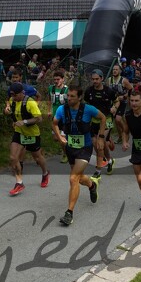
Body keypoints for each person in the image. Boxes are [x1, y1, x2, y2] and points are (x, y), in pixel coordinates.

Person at [53, 85, 106, 226]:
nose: (69, 99)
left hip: (85, 148)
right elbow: (54, 123)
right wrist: (59, 137)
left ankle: (69, 213)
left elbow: (103, 118)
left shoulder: (88, 109)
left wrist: (100, 137)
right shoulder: (62, 109)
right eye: (68, 96)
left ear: (79, 97)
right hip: (70, 147)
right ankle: (91, 185)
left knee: (73, 178)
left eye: (72, 96)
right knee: (79, 178)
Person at [4, 82, 50, 196]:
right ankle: (19, 183)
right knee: (13, 157)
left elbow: (39, 119)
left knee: (38, 158)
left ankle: (45, 173)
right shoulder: (12, 101)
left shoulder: (30, 103)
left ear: (22, 93)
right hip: (19, 133)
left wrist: (24, 122)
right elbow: (10, 112)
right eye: (11, 95)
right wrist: (6, 111)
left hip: (32, 134)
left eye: (15, 95)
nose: (13, 97)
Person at [84, 69, 118, 178]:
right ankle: (109, 160)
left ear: (102, 79)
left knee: (100, 141)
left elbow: (117, 101)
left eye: (97, 79)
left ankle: (98, 170)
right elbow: (85, 103)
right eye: (93, 79)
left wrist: (114, 107)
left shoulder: (109, 91)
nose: (95, 81)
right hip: (94, 120)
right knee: (96, 143)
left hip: (106, 119)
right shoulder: (89, 91)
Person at [107, 64, 133, 144]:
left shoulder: (123, 80)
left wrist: (125, 96)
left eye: (116, 69)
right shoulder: (109, 80)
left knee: (118, 119)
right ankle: (120, 136)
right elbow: (107, 91)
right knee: (113, 121)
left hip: (122, 102)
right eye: (113, 69)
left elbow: (131, 89)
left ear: (120, 71)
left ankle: (125, 131)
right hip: (113, 102)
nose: (114, 71)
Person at [48, 71, 69, 163]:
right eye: (55, 79)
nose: (56, 81)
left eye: (58, 79)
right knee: (56, 138)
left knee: (62, 138)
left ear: (63, 79)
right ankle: (69, 145)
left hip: (65, 117)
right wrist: (49, 110)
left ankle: (66, 154)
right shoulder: (51, 88)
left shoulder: (67, 89)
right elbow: (49, 100)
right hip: (55, 117)